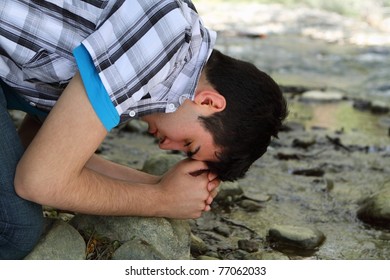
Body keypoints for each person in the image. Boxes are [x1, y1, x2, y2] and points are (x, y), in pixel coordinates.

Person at [0, 0, 287, 259]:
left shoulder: (157, 75)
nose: (165, 147)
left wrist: (156, 184)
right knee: (15, 229)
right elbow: (38, 181)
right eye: (188, 145)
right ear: (209, 102)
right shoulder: (161, 44)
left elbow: (33, 144)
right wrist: (161, 200)